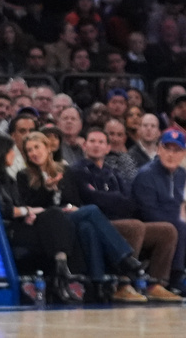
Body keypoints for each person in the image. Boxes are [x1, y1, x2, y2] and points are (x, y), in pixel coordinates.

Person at [17, 131, 145, 301]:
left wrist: (65, 200)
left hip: (68, 215)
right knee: (91, 210)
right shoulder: (24, 175)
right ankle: (125, 259)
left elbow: (74, 199)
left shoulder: (64, 170)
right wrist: (47, 190)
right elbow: (30, 204)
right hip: (47, 222)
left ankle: (97, 285)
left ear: (48, 148)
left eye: (37, 147)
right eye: (29, 150)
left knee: (87, 227)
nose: (34, 152)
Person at [67, 128, 181, 301]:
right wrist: (115, 199)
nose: (96, 145)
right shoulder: (77, 171)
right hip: (99, 223)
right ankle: (123, 283)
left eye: (101, 142)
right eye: (92, 141)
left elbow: (130, 202)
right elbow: (90, 198)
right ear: (84, 145)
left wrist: (108, 199)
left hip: (119, 220)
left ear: (108, 148)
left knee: (167, 230)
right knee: (134, 226)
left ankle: (156, 283)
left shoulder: (113, 172)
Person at [0, 133, 84, 304]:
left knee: (56, 218)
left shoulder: (8, 178)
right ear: (1, 152)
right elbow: (2, 209)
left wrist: (26, 214)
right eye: (11, 151)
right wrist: (26, 211)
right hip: (5, 231)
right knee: (55, 219)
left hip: (18, 225)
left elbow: (19, 206)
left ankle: (63, 273)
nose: (14, 155)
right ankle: (62, 278)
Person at [132, 129, 186, 292]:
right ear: (158, 149)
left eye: (176, 150)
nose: (171, 154)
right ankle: (176, 277)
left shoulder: (182, 175)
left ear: (183, 154)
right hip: (148, 225)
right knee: (180, 226)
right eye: (167, 148)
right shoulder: (146, 174)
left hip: (175, 221)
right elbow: (148, 212)